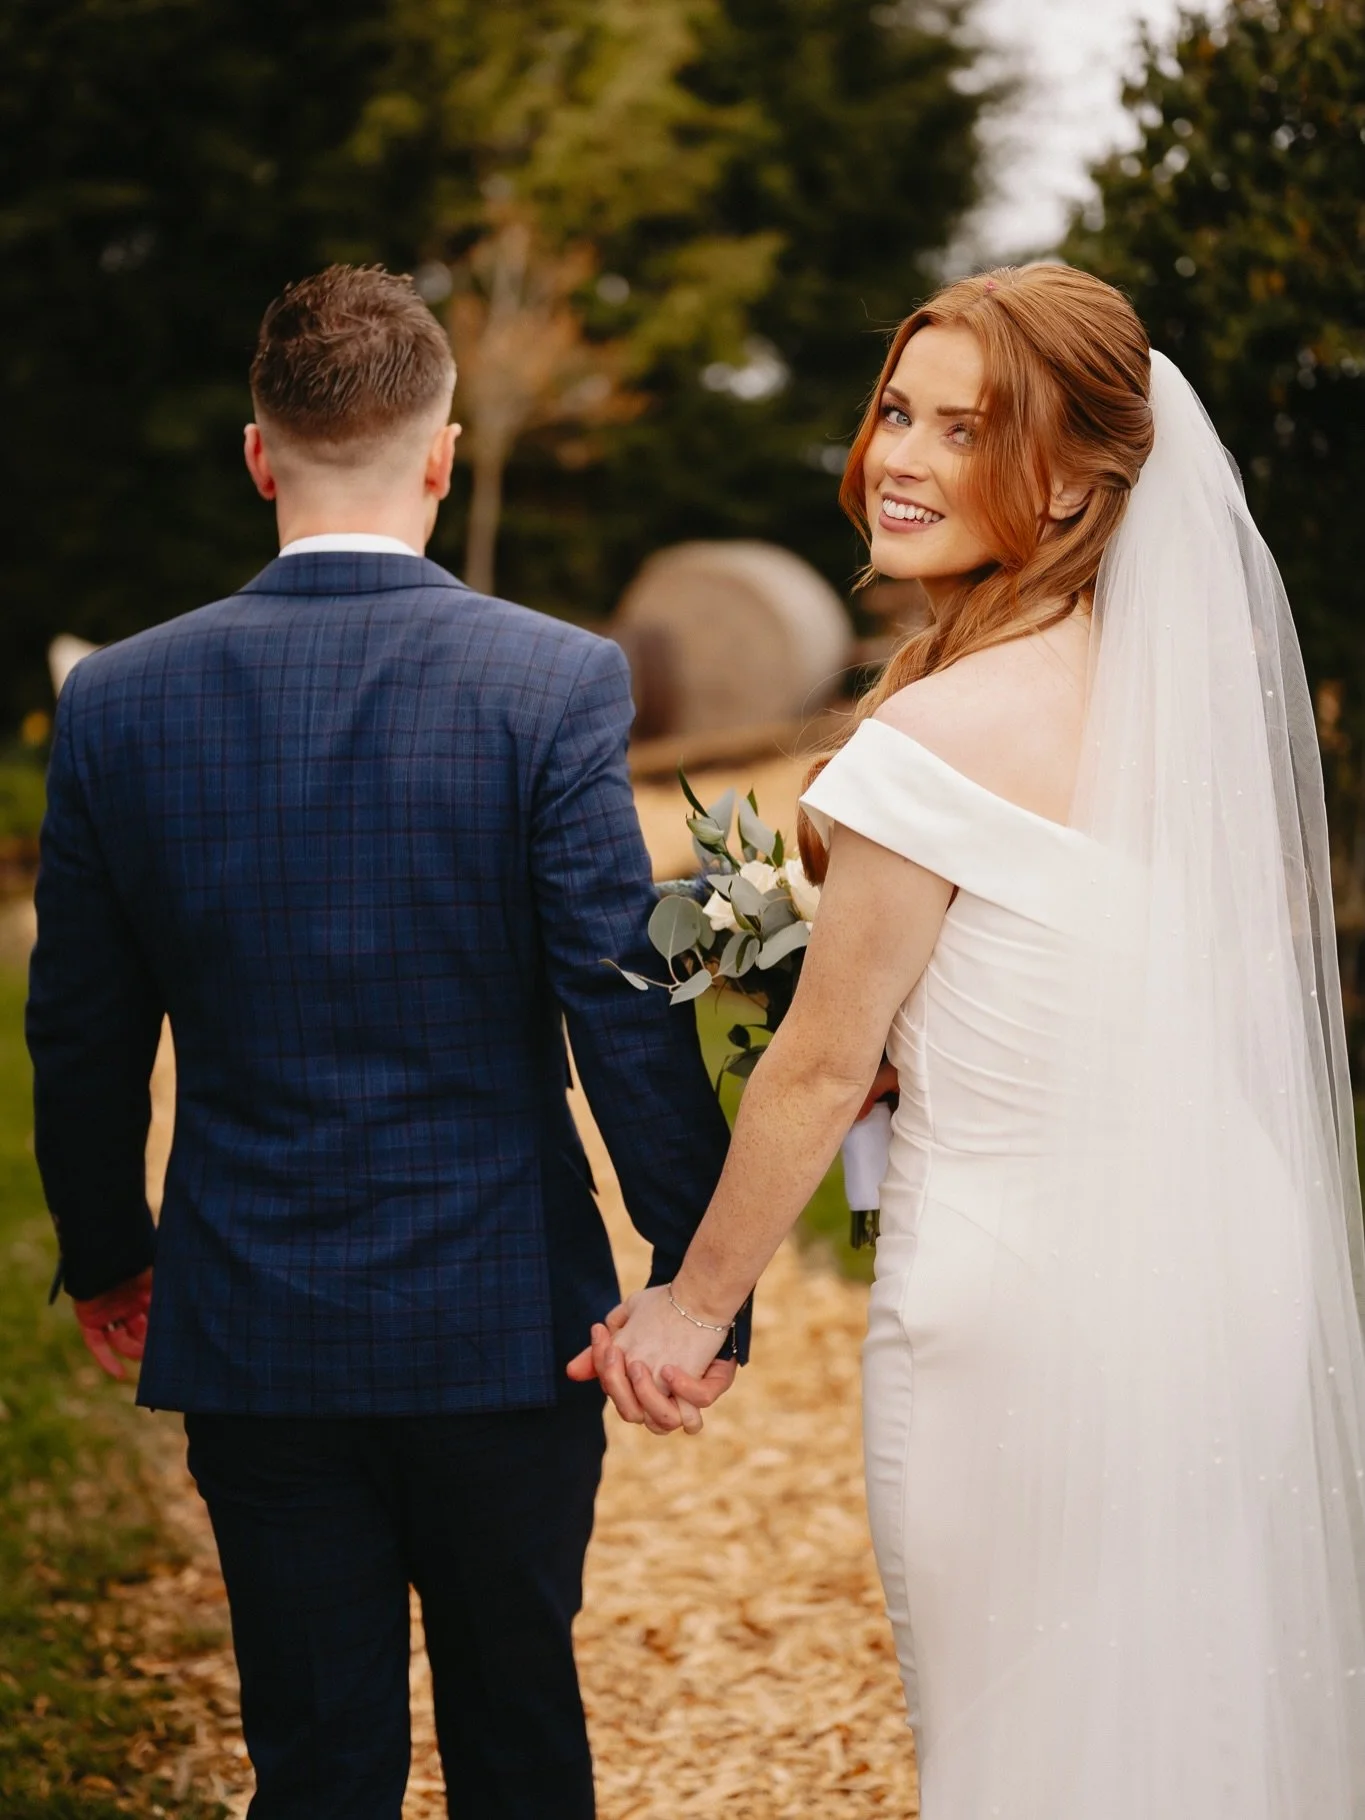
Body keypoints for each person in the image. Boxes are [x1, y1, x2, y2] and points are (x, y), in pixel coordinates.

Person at [576, 265, 1365, 1816]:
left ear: (1075, 480)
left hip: (1022, 1314)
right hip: (1224, 1276)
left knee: (1022, 1742)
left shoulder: (933, 737)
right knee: (1198, 1717)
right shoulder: (1163, 717)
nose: (905, 460)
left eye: (968, 428)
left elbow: (813, 1064)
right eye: (897, 413)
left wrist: (688, 1306)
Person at [26, 262, 740, 1820]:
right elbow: (621, 1007)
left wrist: (108, 1254)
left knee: (315, 1754)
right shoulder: (553, 682)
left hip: (253, 1322)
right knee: (519, 1736)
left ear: (259, 454)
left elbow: (78, 1036)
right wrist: (701, 1279)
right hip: (506, 1317)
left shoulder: (122, 706)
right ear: (442, 453)